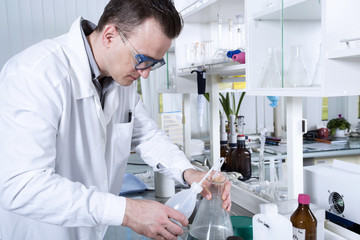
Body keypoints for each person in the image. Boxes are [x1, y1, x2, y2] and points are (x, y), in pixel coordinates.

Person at [0, 0, 231, 239]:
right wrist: (126, 211)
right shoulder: (34, 74)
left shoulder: (121, 78)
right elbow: (21, 186)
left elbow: (147, 136)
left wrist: (189, 173)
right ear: (110, 36)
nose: (145, 73)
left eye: (154, 63)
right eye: (142, 58)